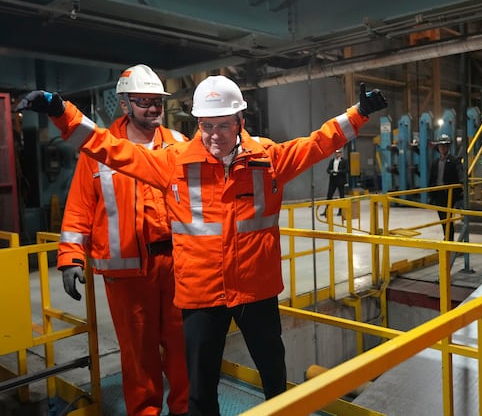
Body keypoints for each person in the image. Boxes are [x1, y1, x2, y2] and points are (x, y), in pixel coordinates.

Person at [17, 77, 387, 416]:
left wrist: (361, 113)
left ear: (240, 120)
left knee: (275, 378)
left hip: (256, 293)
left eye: (223, 125)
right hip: (200, 296)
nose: (213, 136)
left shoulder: (268, 159)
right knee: (200, 388)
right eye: (206, 126)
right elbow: (107, 147)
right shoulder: (172, 163)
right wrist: (59, 110)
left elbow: (320, 142)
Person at [56, 64, 189, 416]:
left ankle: (185, 410)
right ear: (125, 103)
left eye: (158, 101)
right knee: (138, 356)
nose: (153, 108)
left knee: (184, 349)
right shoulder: (99, 149)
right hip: (129, 275)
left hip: (180, 267)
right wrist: (70, 255)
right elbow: (80, 206)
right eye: (144, 101)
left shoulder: (179, 145)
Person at [428, 134, 463, 241]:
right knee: (443, 219)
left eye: (444, 146)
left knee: (448, 219)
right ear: (438, 148)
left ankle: (448, 240)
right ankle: (447, 238)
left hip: (450, 194)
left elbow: (460, 176)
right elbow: (431, 178)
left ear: (448, 147)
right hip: (438, 194)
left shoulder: (454, 161)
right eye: (440, 146)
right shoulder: (435, 162)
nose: (442, 148)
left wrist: (460, 194)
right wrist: (431, 194)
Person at [321, 148, 348, 216]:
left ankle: (341, 211)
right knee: (329, 195)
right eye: (336, 153)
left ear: (340, 154)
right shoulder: (332, 161)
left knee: (341, 196)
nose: (337, 154)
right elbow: (328, 170)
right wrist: (331, 171)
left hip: (340, 180)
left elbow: (346, 170)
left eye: (338, 153)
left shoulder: (344, 161)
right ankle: (326, 211)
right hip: (333, 180)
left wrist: (339, 172)